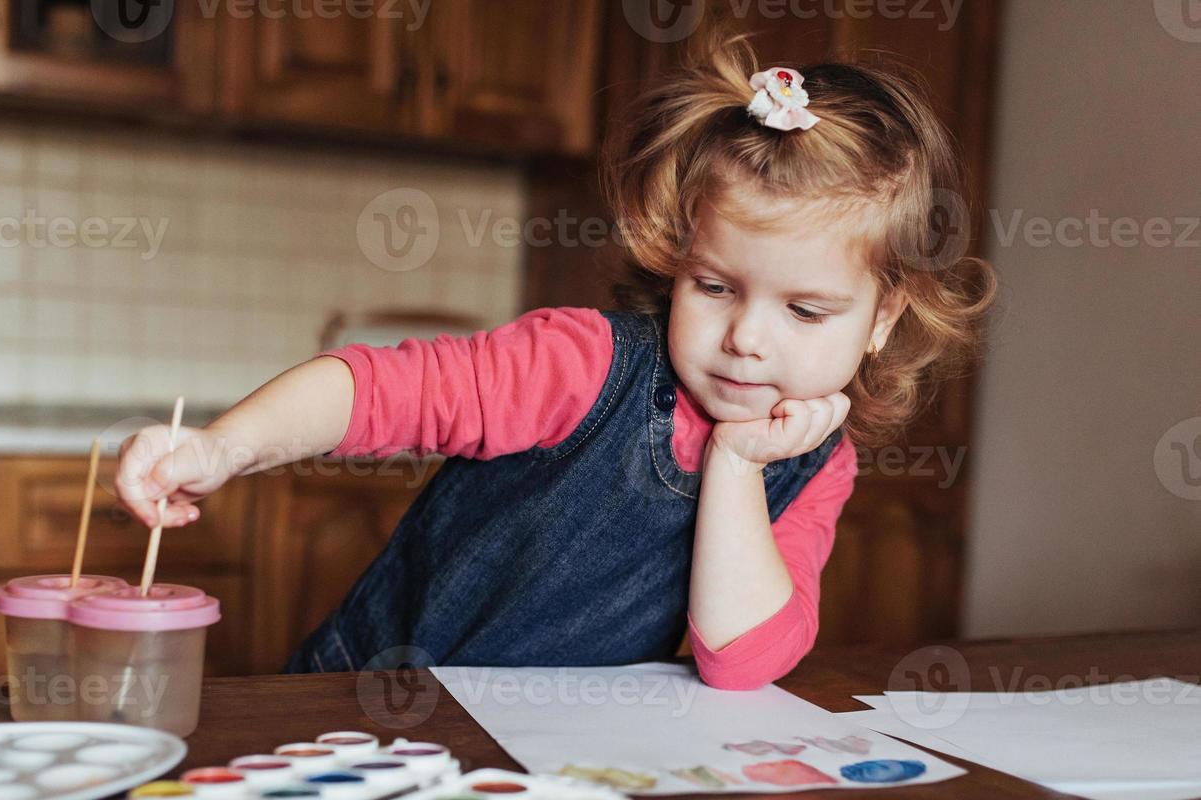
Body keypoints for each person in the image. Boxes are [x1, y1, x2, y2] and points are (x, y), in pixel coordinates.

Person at [115, 31, 996, 689]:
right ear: (676, 262)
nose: (746, 340)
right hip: (367, 703)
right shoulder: (581, 365)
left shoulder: (815, 465)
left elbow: (740, 660)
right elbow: (373, 390)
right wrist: (224, 448)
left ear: (883, 318)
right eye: (714, 287)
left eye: (805, 309)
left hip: (550, 749)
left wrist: (734, 463)